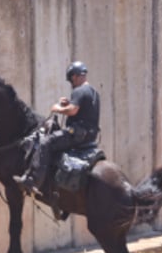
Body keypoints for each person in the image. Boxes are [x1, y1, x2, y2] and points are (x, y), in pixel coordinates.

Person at [15, 61, 101, 194]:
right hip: (89, 136)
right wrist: (69, 103)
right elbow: (82, 109)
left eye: (71, 81)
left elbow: (73, 110)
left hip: (76, 135)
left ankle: (33, 181)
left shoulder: (79, 90)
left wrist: (58, 108)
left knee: (46, 142)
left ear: (74, 77)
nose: (72, 84)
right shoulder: (93, 92)